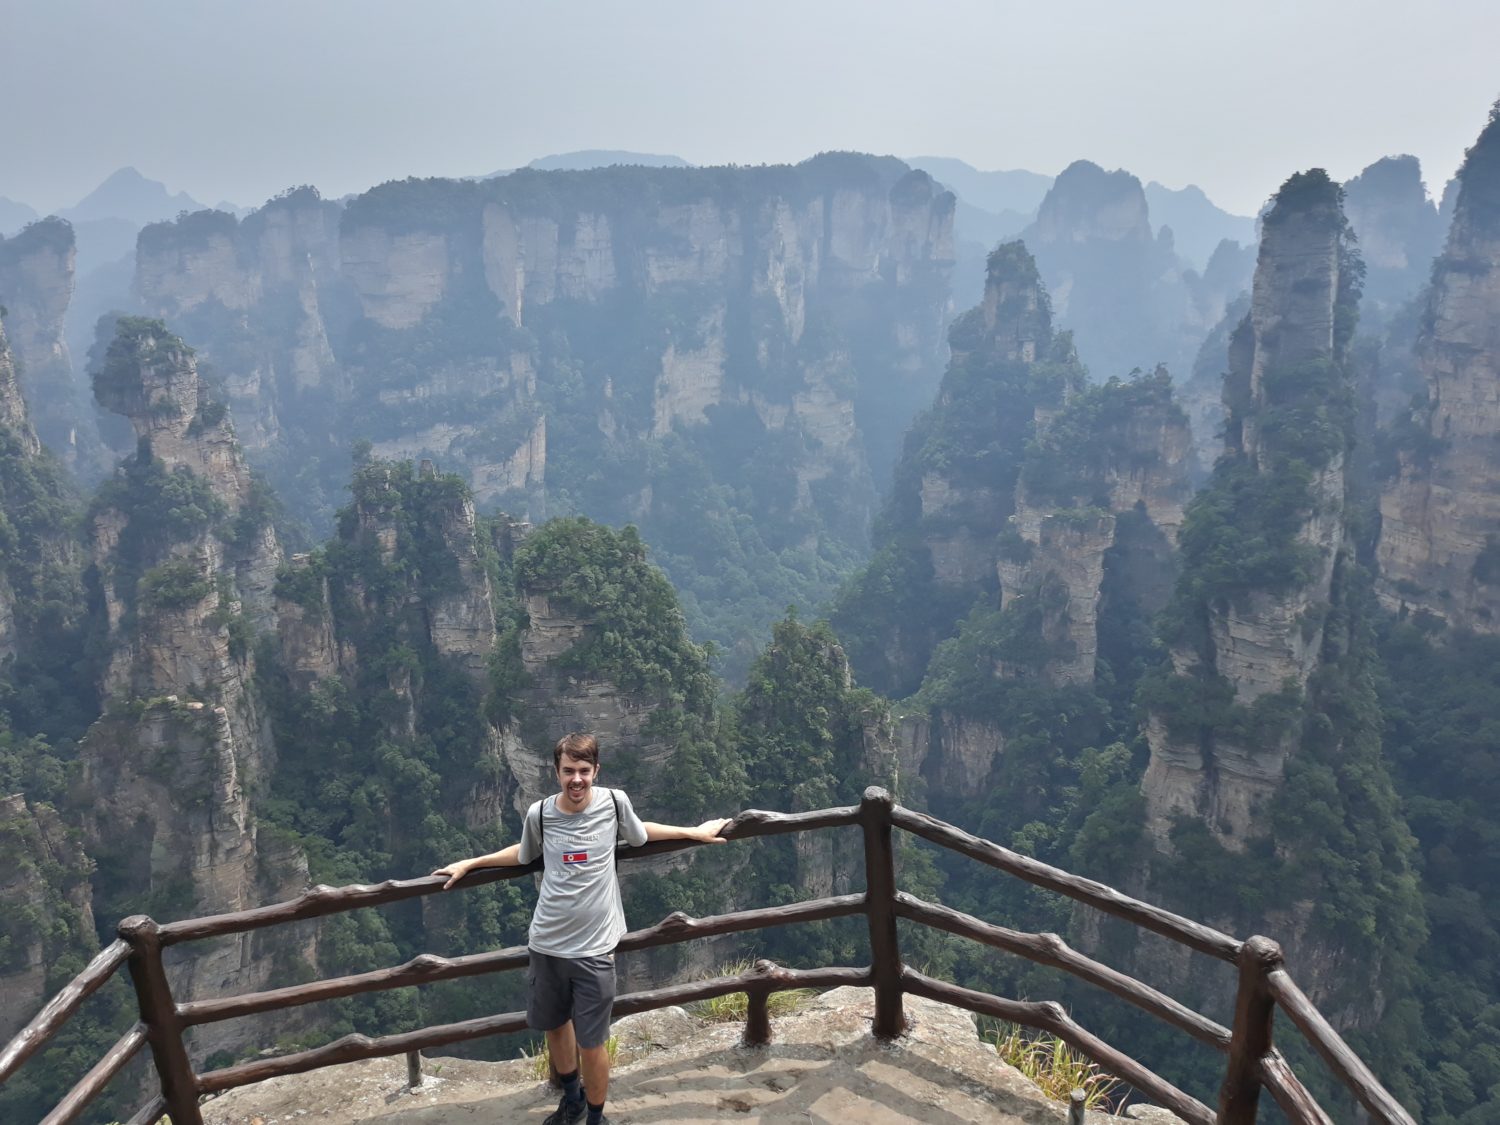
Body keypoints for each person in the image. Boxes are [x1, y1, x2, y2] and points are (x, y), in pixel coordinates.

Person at [433, 731, 732, 1125]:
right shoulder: (539, 813)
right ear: (556, 772)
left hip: (594, 950)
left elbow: (642, 833)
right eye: (569, 771)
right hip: (547, 942)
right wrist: (471, 862)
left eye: (584, 771)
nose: (577, 779)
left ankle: (595, 1116)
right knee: (556, 1027)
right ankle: (571, 1101)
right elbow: (523, 855)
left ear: (596, 771)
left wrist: (693, 832)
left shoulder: (614, 803)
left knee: (593, 1043)